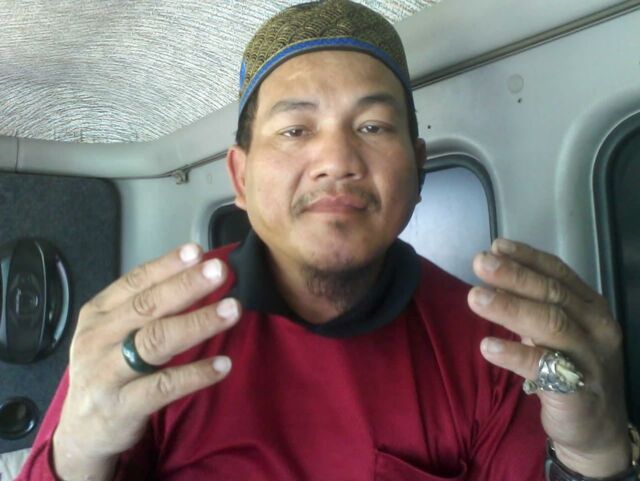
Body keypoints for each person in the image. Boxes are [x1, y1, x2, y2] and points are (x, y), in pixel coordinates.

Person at [16, 1, 636, 480]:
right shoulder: (150, 338)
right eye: (295, 130)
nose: (337, 160)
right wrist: (75, 457)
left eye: (373, 126)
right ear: (240, 176)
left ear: (417, 170)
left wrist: (597, 454)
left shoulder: (497, 352)